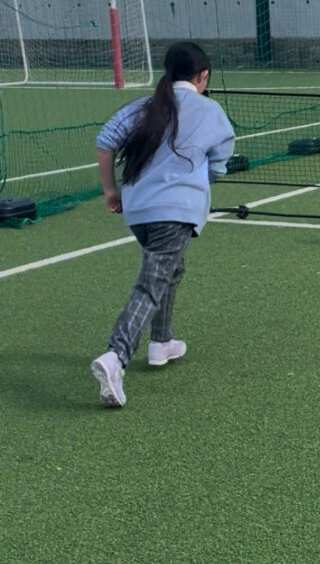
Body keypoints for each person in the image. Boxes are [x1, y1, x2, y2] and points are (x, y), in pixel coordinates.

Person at [90, 41, 235, 408]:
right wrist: (195, 182)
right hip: (176, 212)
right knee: (151, 284)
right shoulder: (211, 111)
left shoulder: (143, 106)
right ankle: (116, 356)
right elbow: (219, 167)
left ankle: (161, 342)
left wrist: (110, 191)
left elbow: (105, 142)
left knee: (170, 269)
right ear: (203, 76)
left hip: (139, 210)